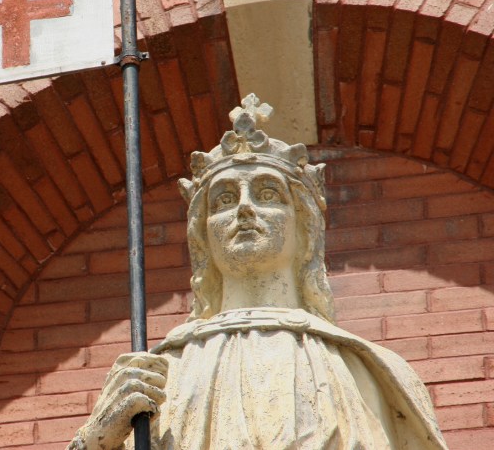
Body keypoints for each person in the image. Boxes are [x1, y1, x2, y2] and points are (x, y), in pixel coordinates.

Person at [67, 95, 448, 449]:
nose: (244, 209)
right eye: (225, 199)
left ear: (305, 229)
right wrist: (97, 438)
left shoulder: (372, 371)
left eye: (267, 195)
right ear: (202, 237)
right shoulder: (163, 373)